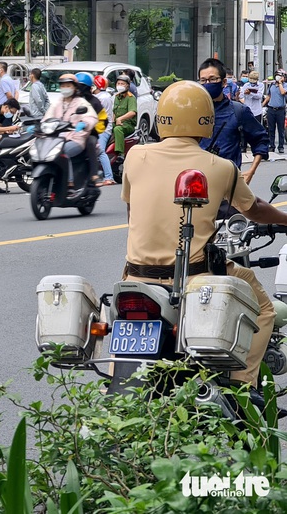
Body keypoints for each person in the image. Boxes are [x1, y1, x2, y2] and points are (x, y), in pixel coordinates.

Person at [121, 80, 287, 389]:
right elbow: (255, 209)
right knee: (264, 308)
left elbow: (133, 213)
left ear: (161, 118)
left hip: (135, 280)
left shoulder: (135, 157)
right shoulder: (221, 167)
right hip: (194, 279)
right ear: (208, 120)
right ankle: (242, 385)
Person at [198, 58, 267, 187]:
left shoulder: (238, 111)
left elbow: (261, 140)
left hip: (228, 187)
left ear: (224, 82)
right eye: (203, 80)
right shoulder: (191, 111)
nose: (207, 83)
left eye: (212, 79)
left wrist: (251, 171)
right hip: (196, 187)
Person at [43, 73, 99, 197]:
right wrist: (38, 126)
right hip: (56, 139)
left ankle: (70, 184)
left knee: (62, 153)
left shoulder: (81, 102)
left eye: (68, 85)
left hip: (76, 138)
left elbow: (92, 117)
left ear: (75, 87)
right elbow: (47, 117)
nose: (65, 88)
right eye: (63, 85)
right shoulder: (58, 102)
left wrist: (83, 124)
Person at [92, 74, 116, 186]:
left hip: (103, 129)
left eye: (93, 85)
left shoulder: (101, 98)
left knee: (100, 151)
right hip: (100, 127)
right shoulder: (106, 95)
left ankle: (109, 177)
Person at [112, 74, 137, 156]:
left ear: (127, 86)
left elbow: (132, 112)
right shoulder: (116, 97)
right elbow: (114, 112)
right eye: (118, 83)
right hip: (117, 122)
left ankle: (120, 154)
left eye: (122, 84)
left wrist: (120, 119)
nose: (120, 86)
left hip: (127, 125)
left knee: (117, 129)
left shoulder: (131, 98)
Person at [263, 68, 286, 153]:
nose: (278, 77)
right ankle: (271, 145)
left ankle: (280, 146)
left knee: (281, 129)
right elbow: (269, 96)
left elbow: (283, 92)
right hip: (271, 109)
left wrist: (280, 83)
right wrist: (262, 104)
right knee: (271, 129)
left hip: (280, 110)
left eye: (281, 76)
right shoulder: (271, 85)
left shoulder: (285, 85)